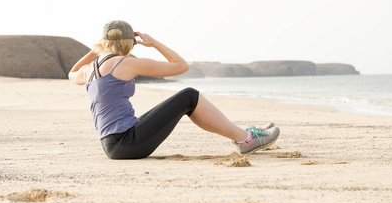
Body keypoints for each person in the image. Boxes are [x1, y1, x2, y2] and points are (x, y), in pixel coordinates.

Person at [68, 20, 280, 159]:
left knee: (187, 105)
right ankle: (247, 139)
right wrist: (154, 43)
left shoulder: (89, 70)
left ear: (103, 43)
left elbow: (71, 73)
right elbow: (181, 66)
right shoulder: (126, 63)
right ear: (129, 43)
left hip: (112, 145)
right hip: (127, 143)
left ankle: (243, 137)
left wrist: (94, 50)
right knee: (189, 95)